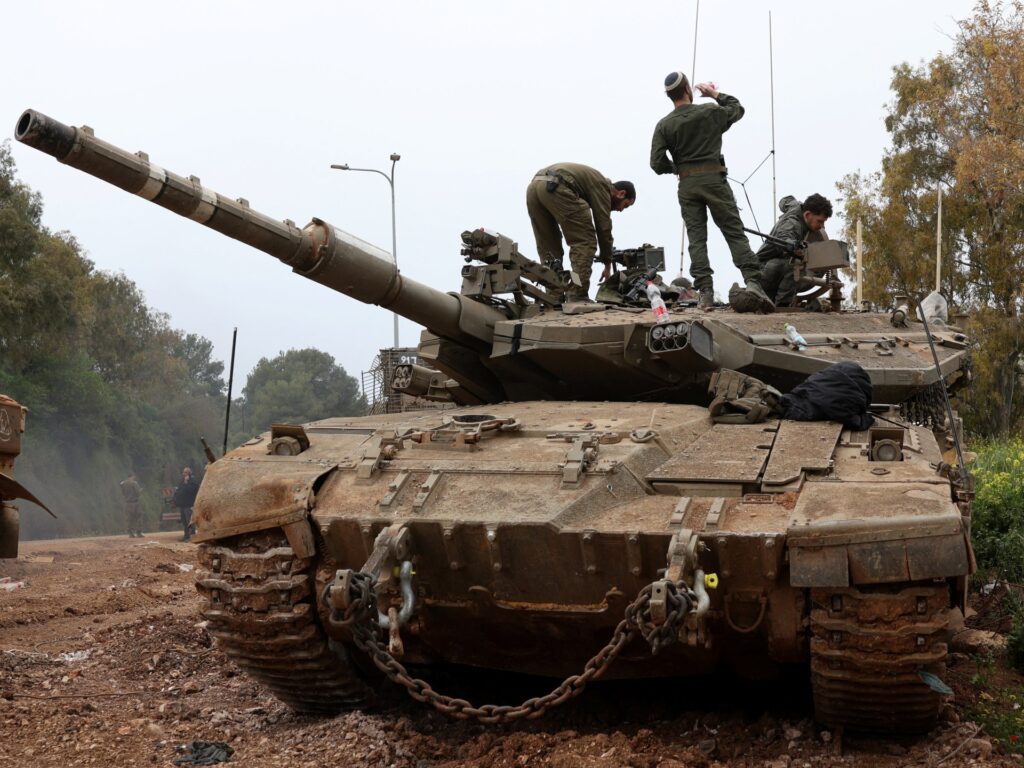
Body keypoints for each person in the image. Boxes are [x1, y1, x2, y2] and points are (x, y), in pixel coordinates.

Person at [650, 71, 768, 310]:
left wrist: (677, 168)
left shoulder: (664, 125)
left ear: (669, 96)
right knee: (733, 231)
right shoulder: (709, 112)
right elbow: (737, 109)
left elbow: (656, 163)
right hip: (714, 180)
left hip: (687, 184)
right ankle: (753, 282)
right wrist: (714, 94)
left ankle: (705, 292)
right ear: (687, 90)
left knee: (696, 238)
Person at [526, 163, 636, 302]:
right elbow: (603, 227)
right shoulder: (603, 187)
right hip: (558, 186)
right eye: (625, 205)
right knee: (585, 242)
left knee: (549, 247)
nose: (620, 210)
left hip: (535, 188)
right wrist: (607, 261)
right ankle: (577, 294)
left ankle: (553, 296)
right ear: (621, 194)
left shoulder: (593, 181)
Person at [757, 193, 833, 307]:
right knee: (795, 265)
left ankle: (773, 299)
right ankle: (782, 306)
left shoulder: (797, 206)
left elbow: (785, 200)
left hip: (769, 269)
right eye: (820, 221)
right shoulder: (793, 224)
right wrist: (795, 245)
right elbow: (784, 238)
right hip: (761, 271)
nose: (822, 226)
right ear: (807, 215)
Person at [172, 467, 200, 542]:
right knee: (184, 522)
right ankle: (186, 536)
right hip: (182, 505)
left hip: (189, 505)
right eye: (183, 472)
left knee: (189, 522)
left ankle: (192, 537)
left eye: (185, 472)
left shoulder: (193, 482)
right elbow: (179, 490)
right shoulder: (182, 481)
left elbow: (191, 490)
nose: (184, 474)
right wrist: (176, 500)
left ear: (189, 473)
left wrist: (186, 483)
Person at [120, 473, 143, 538]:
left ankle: (130, 533)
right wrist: (140, 491)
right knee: (138, 517)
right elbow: (137, 493)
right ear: (132, 476)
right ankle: (138, 532)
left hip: (127, 503)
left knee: (129, 518)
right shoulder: (134, 483)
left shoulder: (123, 484)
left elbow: (123, 493)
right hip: (135, 503)